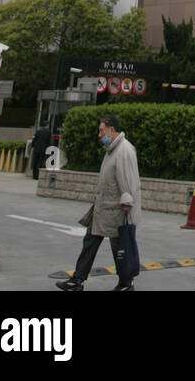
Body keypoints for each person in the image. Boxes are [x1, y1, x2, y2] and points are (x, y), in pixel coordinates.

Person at [56, 113, 141, 292]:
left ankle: (126, 283)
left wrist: (127, 201)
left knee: (120, 249)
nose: (99, 135)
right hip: (103, 209)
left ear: (112, 129)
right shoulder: (112, 149)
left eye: (102, 131)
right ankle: (78, 279)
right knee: (90, 243)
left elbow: (128, 180)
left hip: (116, 211)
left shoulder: (124, 150)